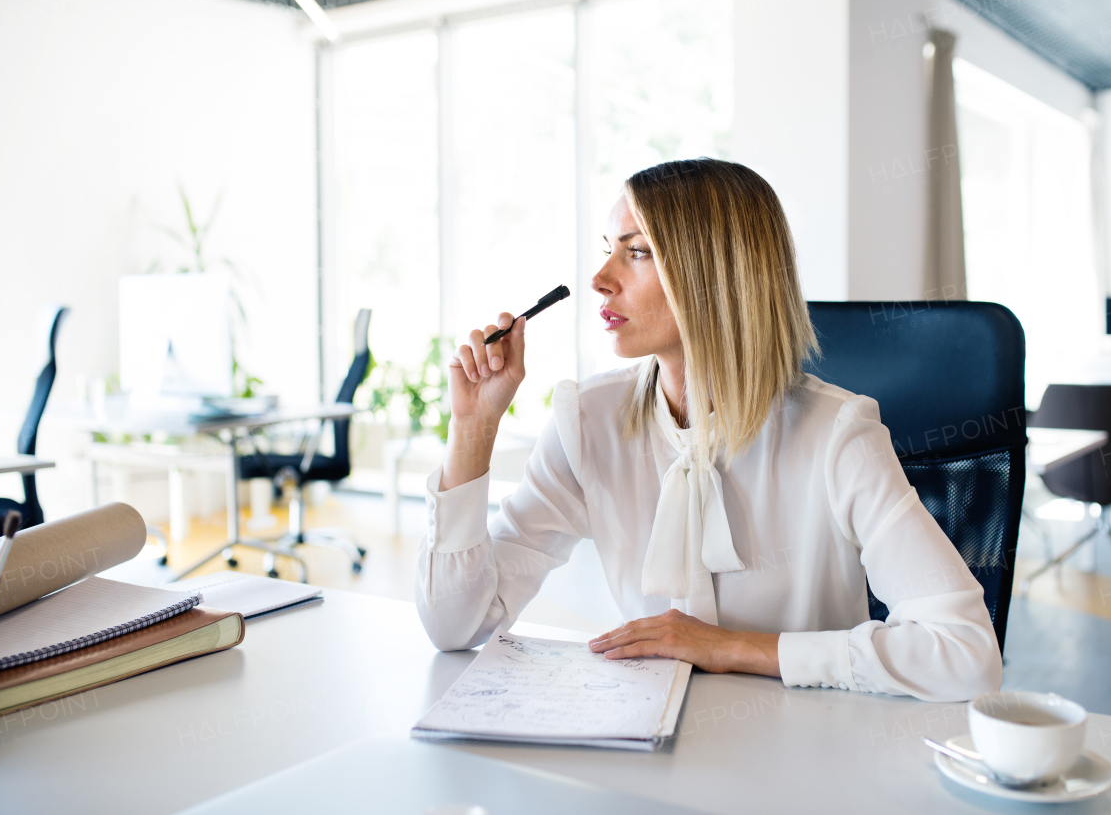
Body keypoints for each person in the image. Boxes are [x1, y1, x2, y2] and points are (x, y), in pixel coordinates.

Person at [416, 158, 1001, 702]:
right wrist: (473, 427)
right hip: (650, 750)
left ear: (718, 276)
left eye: (637, 252)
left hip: (808, 757)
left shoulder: (838, 436)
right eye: (607, 250)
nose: (600, 278)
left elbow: (967, 652)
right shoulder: (587, 421)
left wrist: (731, 648)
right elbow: (457, 625)